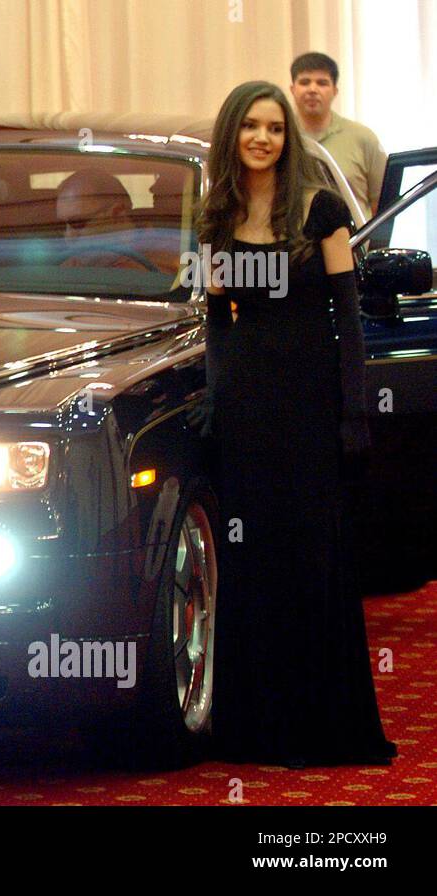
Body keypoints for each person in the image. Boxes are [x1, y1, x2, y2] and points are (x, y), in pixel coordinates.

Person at [197, 80, 395, 767]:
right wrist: (218, 402)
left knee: (312, 559)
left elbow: (349, 320)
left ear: (288, 137)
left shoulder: (320, 207)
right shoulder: (216, 216)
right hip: (247, 412)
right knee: (252, 564)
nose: (263, 137)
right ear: (234, 134)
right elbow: (216, 327)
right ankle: (256, 728)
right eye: (251, 126)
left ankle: (317, 727)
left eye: (275, 128)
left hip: (308, 410)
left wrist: (354, 412)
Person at [290, 51, 386, 215]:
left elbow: (383, 203)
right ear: (292, 89)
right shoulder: (281, 137)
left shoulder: (363, 137)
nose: (312, 89)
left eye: (322, 83)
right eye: (305, 82)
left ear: (335, 90)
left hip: (357, 239)